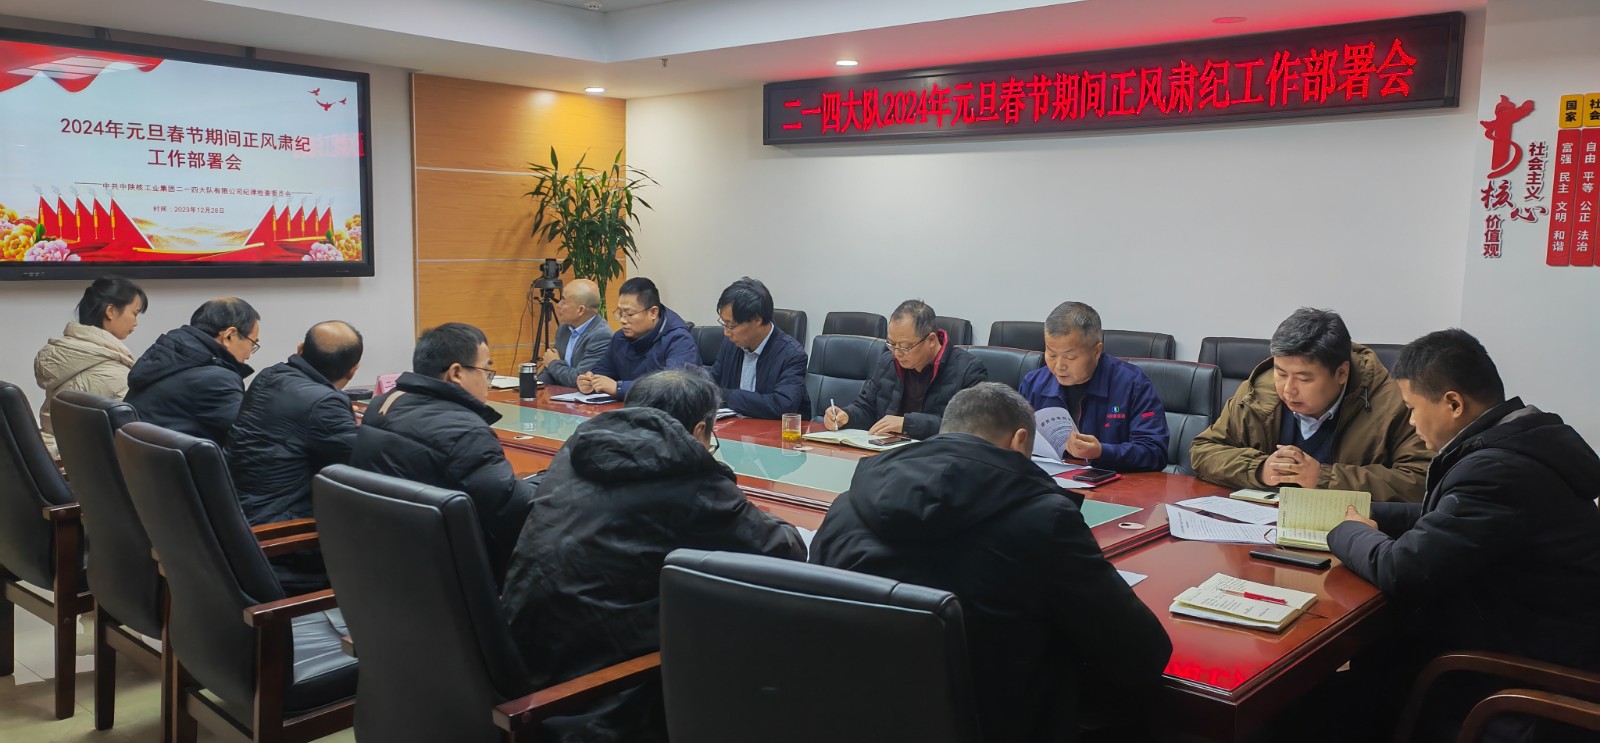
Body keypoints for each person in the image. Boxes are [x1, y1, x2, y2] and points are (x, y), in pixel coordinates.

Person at [811, 383, 1172, 742]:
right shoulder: (1044, 520)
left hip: (859, 720)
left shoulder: (847, 505)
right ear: (1019, 441)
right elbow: (1141, 655)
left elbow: (815, 624)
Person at [1326, 329, 1600, 743]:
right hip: (1524, 636)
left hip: (1522, 673)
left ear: (1453, 403)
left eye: (1412, 409)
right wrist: (1372, 513)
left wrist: (1347, 531)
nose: (1411, 422)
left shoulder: (1498, 471)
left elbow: (1402, 569)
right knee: (1366, 667)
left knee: (1339, 692)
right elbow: (1447, 519)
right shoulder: (1521, 441)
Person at [503, 368, 805, 742]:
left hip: (523, 664)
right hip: (599, 698)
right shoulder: (686, 474)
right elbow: (784, 552)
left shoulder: (577, 449)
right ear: (699, 431)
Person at [350, 322, 534, 581]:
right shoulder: (464, 432)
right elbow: (516, 509)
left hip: (386, 560)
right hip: (450, 575)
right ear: (456, 373)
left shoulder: (384, 403)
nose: (488, 382)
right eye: (486, 371)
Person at [1189, 308, 1429, 502]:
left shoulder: (1394, 403)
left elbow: (1420, 481)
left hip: (1351, 533)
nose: (1288, 389)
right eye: (1281, 373)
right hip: (1260, 528)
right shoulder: (1258, 392)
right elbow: (1204, 450)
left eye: (1304, 379)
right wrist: (1259, 468)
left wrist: (1321, 477)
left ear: (1342, 373)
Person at [224, 322, 364, 593]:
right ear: (353, 370)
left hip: (238, 518)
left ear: (300, 350)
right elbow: (363, 462)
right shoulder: (325, 403)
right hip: (282, 541)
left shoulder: (269, 375)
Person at [1017, 301, 1169, 472]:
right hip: (1049, 481)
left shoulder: (1133, 384)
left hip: (1112, 484)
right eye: (1051, 354)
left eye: (1070, 357)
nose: (1059, 366)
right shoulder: (1034, 384)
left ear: (1097, 351)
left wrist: (1102, 452)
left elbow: (1155, 452)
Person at [823, 299, 987, 439]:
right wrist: (847, 415)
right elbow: (866, 407)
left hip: (937, 456)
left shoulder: (968, 370)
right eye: (891, 344)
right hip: (887, 452)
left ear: (931, 340)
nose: (896, 353)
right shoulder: (888, 362)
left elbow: (971, 427)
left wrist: (908, 424)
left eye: (905, 346)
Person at [33, 276, 147, 457]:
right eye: (134, 313)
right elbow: (135, 435)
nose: (136, 322)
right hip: (82, 462)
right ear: (111, 311)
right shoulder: (113, 373)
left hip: (51, 454)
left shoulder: (65, 353)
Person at [125, 297, 260, 445]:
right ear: (229, 336)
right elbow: (252, 438)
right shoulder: (216, 380)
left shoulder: (164, 357)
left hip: (137, 456)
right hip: (174, 458)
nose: (249, 355)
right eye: (252, 344)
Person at [578, 277, 699, 397]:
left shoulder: (679, 340)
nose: (622, 320)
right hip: (629, 406)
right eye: (620, 313)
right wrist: (589, 382)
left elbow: (673, 388)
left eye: (629, 314)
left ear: (653, 312)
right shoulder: (620, 338)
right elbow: (603, 371)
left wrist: (618, 388)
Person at [706, 277, 809, 418]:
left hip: (773, 430)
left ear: (757, 320)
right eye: (724, 323)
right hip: (732, 427)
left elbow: (783, 405)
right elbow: (712, 381)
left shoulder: (792, 354)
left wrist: (726, 396)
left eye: (731, 325)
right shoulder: (731, 343)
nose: (726, 332)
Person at [538, 278, 612, 388]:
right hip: (559, 395)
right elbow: (549, 371)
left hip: (582, 397)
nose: (558, 305)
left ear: (580, 310)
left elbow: (580, 379)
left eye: (564, 300)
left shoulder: (601, 336)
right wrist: (536, 386)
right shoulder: (564, 329)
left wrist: (554, 364)